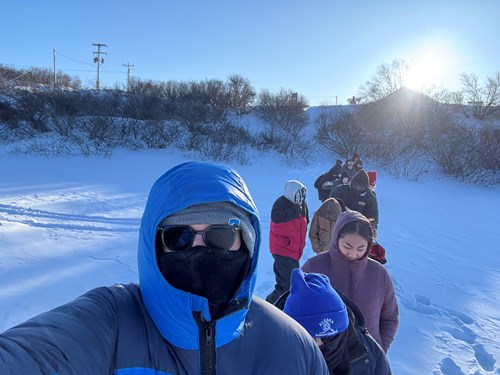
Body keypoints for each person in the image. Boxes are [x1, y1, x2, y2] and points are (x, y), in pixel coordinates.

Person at [0, 161, 328, 374]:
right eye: (179, 236)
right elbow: (35, 356)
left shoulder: (291, 347)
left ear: (246, 243)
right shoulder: (112, 321)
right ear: (153, 244)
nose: (198, 248)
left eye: (220, 235)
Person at [302, 210, 399, 352]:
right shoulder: (313, 267)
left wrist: (379, 350)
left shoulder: (379, 274)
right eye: (347, 246)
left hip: (368, 363)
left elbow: (390, 318)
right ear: (336, 239)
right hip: (324, 360)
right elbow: (295, 314)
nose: (353, 254)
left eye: (361, 248)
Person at [276, 269, 392, 374]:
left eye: (329, 338)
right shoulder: (270, 355)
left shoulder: (367, 355)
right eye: (309, 338)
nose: (318, 344)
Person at [266, 180, 309, 304]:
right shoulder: (281, 203)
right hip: (282, 250)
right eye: (299, 195)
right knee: (285, 285)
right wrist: (294, 210)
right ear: (291, 193)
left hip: (294, 250)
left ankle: (283, 306)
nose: (301, 198)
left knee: (291, 283)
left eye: (303, 195)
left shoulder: (302, 205)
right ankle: (269, 305)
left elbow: (305, 221)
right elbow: (276, 217)